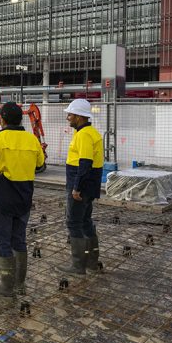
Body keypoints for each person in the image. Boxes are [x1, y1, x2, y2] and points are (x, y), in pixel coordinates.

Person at [0, 102, 45, 299]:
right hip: (25, 195)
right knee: (19, 239)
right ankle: (19, 285)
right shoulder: (32, 139)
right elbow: (40, 164)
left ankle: (6, 287)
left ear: (3, 120)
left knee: (3, 240)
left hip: (4, 194)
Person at [57, 98, 104, 276]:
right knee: (85, 221)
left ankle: (78, 266)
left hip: (81, 184)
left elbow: (85, 162)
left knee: (74, 222)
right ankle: (91, 262)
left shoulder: (84, 135)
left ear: (78, 116)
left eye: (70, 114)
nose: (68, 117)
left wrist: (77, 188)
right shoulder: (90, 132)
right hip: (89, 184)